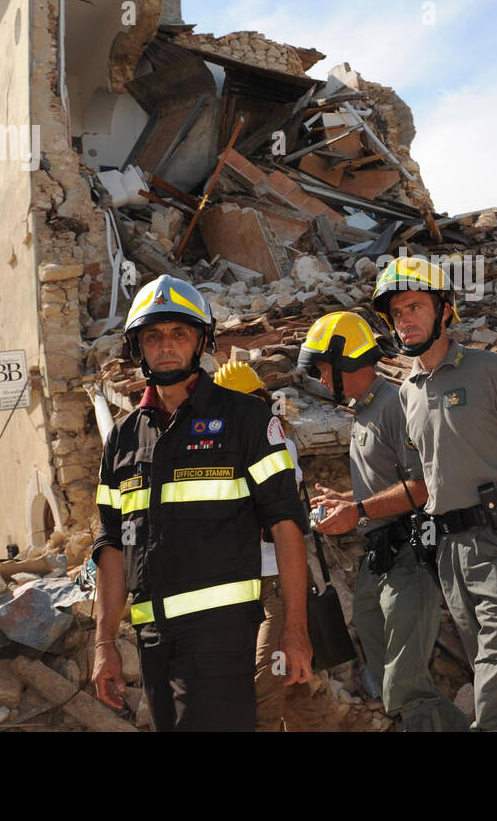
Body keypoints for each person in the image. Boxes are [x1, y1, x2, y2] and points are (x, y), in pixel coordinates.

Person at [91, 275, 312, 731]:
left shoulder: (246, 420)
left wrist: (295, 631)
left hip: (222, 637)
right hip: (153, 641)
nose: (165, 346)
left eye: (179, 334)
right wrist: (104, 644)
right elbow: (111, 545)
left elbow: (287, 526)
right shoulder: (123, 440)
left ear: (201, 342)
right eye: (153, 336)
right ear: (138, 348)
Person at [374, 256, 497, 731]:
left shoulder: (493, 371)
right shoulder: (406, 391)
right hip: (451, 552)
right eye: (396, 312)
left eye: (415, 306)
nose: (405, 319)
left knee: (496, 681)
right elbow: (424, 476)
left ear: (444, 310)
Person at [299, 311, 468, 732]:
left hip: (410, 556)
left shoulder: (394, 405)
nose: (319, 379)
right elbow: (386, 486)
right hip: (379, 562)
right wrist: (348, 500)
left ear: (343, 363)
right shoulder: (363, 412)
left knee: (405, 683)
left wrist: (357, 511)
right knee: (395, 681)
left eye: (322, 368)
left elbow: (424, 486)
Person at [211, 358, 305, 732]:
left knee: (263, 689)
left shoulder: (277, 443)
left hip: (275, 583)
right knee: (297, 692)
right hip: (238, 586)